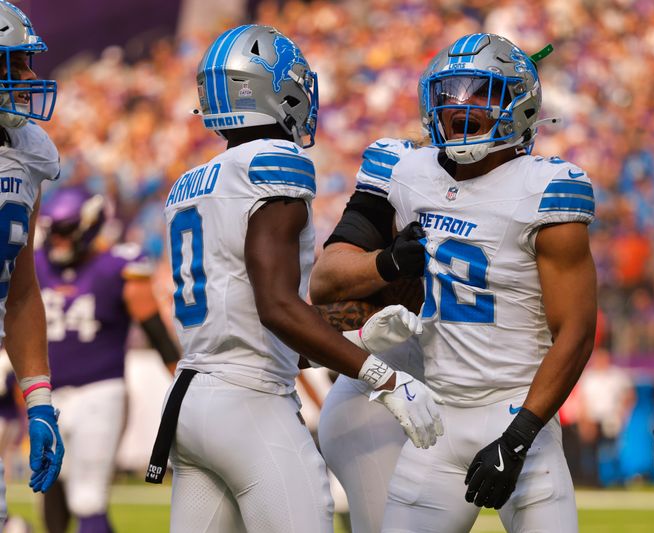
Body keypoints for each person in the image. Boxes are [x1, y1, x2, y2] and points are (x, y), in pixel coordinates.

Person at [151, 25, 442, 533]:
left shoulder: (191, 182)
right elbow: (276, 307)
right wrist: (384, 375)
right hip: (250, 403)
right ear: (272, 89)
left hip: (191, 399)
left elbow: (238, 316)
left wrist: (352, 336)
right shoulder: (274, 162)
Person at [351, 33, 596, 533]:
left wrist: (520, 435)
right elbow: (342, 273)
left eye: (481, 94)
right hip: (437, 418)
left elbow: (576, 330)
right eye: (450, 95)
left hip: (518, 409)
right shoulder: (409, 173)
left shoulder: (546, 188)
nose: (461, 110)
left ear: (521, 106)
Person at [34, 186, 181, 533]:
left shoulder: (118, 265)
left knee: (88, 497)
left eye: (65, 230)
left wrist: (184, 381)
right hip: (48, 395)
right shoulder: (36, 263)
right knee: (49, 489)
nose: (58, 240)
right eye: (53, 230)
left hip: (99, 393)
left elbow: (156, 331)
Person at [311, 136, 425, 533]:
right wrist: (389, 262)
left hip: (482, 397)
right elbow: (324, 284)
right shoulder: (401, 169)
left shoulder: (525, 189)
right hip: (381, 400)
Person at [0, 0, 65, 520]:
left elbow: (20, 289)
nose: (29, 75)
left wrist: (39, 399)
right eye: (16, 63)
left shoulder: (28, 150)